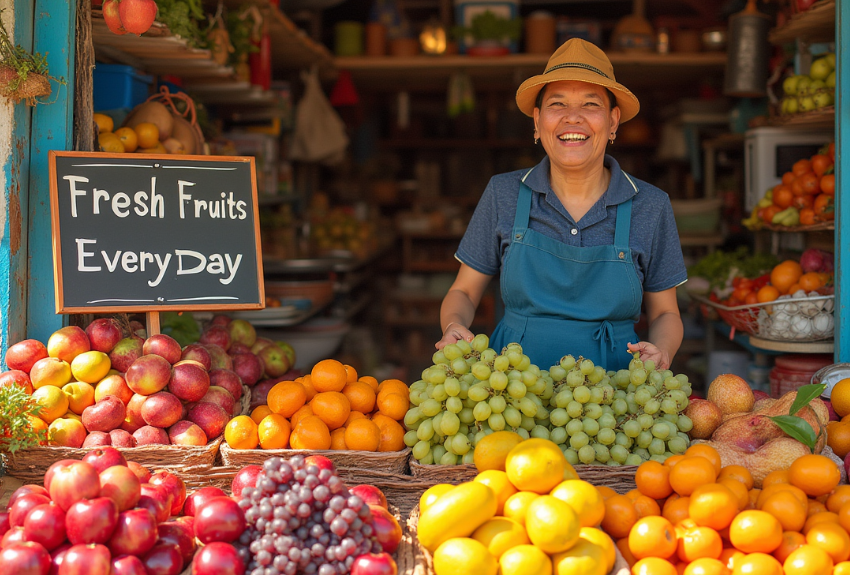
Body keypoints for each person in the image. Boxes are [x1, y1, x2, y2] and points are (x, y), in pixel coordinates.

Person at [436, 38, 687, 372]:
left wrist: (662, 350)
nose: (573, 118)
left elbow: (666, 313)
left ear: (613, 122)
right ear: (538, 122)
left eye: (590, 104)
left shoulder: (650, 205)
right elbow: (464, 292)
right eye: (558, 105)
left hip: (611, 396)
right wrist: (453, 324)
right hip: (513, 387)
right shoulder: (504, 192)